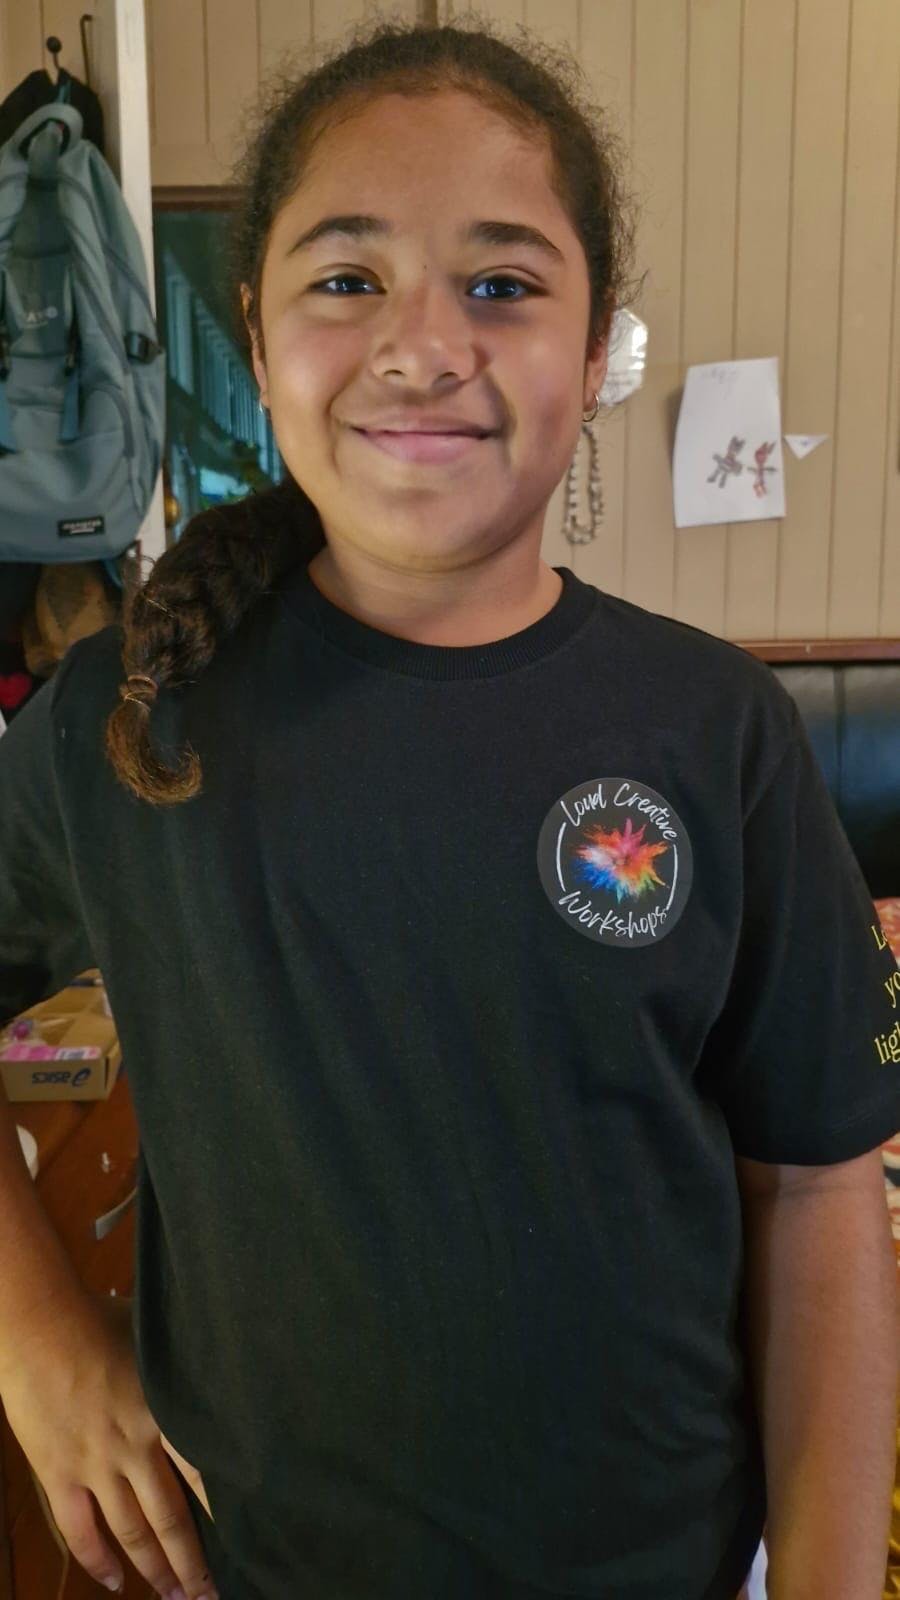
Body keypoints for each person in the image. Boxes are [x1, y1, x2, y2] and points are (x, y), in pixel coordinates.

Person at [0, 17, 897, 1600]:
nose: (423, 345)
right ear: (254, 329)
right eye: (348, 278)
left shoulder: (717, 732)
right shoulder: (122, 727)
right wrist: (38, 1343)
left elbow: (820, 1189)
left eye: (501, 283)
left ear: (598, 348)